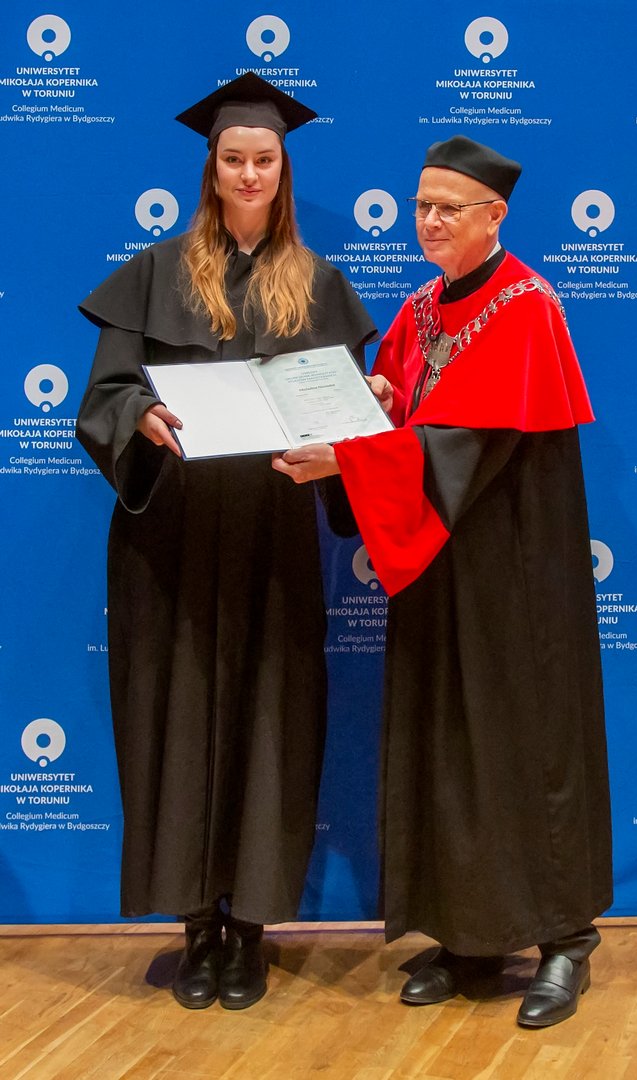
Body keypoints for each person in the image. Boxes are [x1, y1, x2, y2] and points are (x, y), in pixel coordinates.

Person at [273, 135, 613, 1028]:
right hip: (435, 567)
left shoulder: (525, 307)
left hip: (512, 573)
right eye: (421, 206)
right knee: (452, 746)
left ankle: (566, 938)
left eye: (447, 209)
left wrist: (350, 458)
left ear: (494, 216)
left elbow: (463, 446)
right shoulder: (421, 307)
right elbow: (401, 413)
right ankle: (472, 935)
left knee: (526, 742)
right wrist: (373, 409)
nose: (428, 222)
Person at [76, 73, 376, 1011]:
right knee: (174, 716)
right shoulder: (156, 273)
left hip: (273, 539)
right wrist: (140, 416)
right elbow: (106, 395)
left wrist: (346, 435)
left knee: (269, 718)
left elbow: (347, 419)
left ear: (284, 171)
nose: (249, 174)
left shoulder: (318, 285)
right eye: (234, 159)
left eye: (264, 160)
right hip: (168, 540)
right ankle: (194, 928)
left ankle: (249, 930)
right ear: (211, 169)